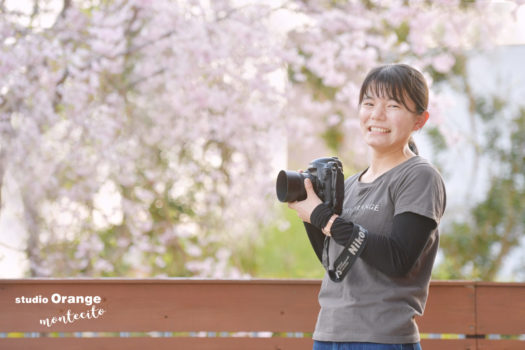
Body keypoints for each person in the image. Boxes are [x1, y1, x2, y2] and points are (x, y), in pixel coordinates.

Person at [288, 63, 447, 350]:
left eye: (393, 105)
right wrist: (308, 210)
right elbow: (333, 261)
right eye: (369, 103)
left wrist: (323, 216)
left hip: (382, 338)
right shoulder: (349, 185)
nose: (377, 115)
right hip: (328, 334)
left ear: (419, 120)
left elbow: (397, 260)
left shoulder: (419, 176)